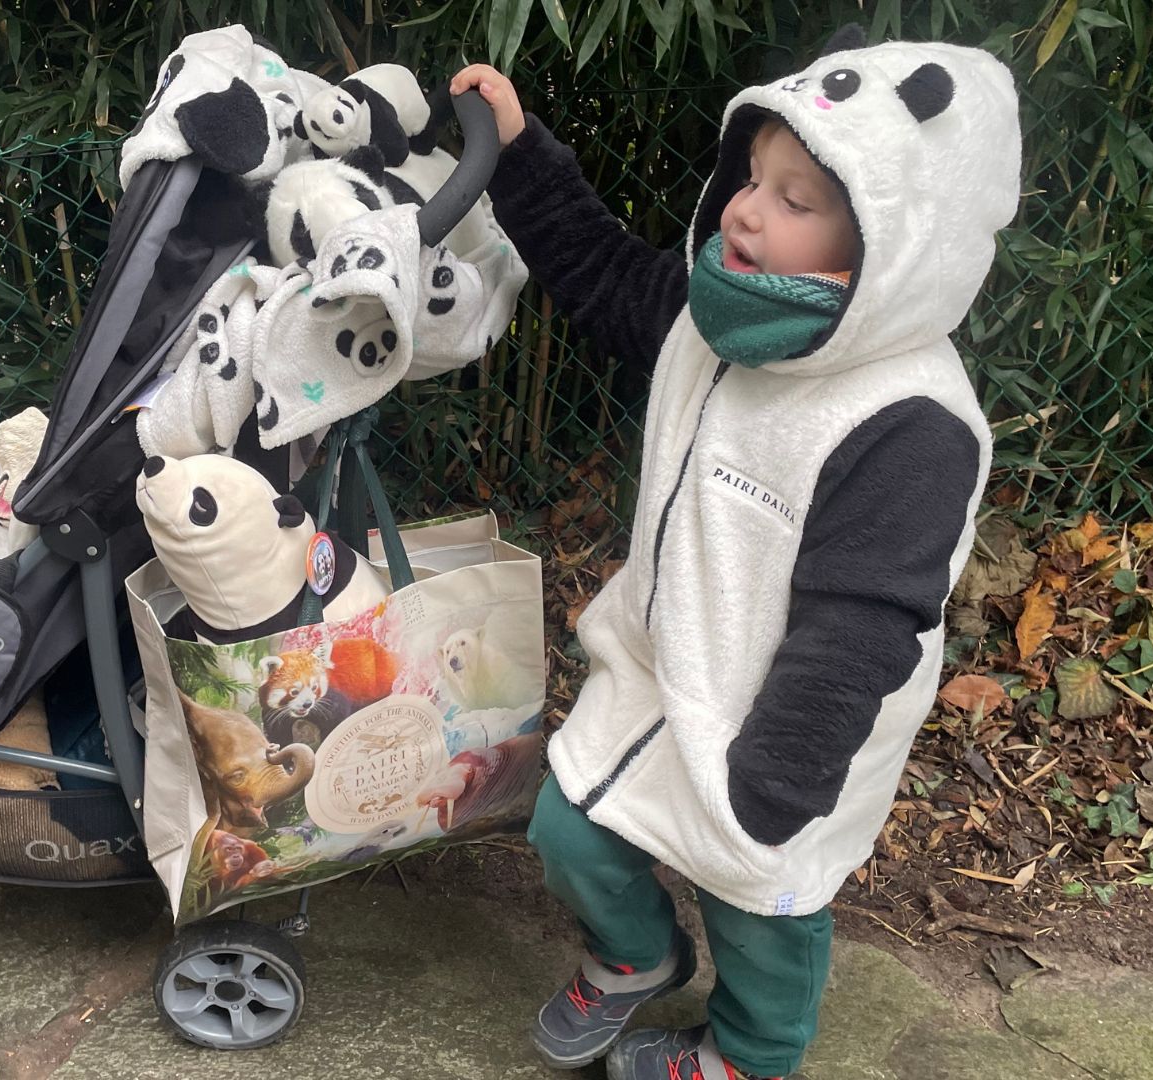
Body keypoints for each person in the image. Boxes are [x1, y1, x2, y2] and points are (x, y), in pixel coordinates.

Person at [450, 24, 1021, 1080]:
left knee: (760, 902)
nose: (746, 210)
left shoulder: (909, 425)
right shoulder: (719, 315)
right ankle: (636, 957)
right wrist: (524, 153)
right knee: (570, 830)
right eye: (753, 177)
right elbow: (598, 272)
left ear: (896, 242)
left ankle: (752, 1053)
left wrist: (770, 791)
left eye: (797, 200)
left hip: (792, 731)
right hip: (663, 667)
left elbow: (863, 625)